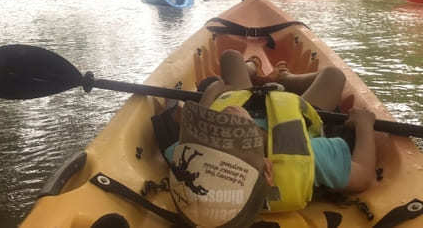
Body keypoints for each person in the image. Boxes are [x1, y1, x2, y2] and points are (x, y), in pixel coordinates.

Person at [159, 50, 377, 227]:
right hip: (293, 113)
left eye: (217, 133)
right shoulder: (306, 154)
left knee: (230, 58)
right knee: (333, 75)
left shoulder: (190, 160)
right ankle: (285, 78)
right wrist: (364, 125)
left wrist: (212, 94)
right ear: (267, 170)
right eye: (235, 137)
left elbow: (194, 128)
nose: (229, 116)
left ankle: (253, 67)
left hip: (239, 94)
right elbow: (363, 174)